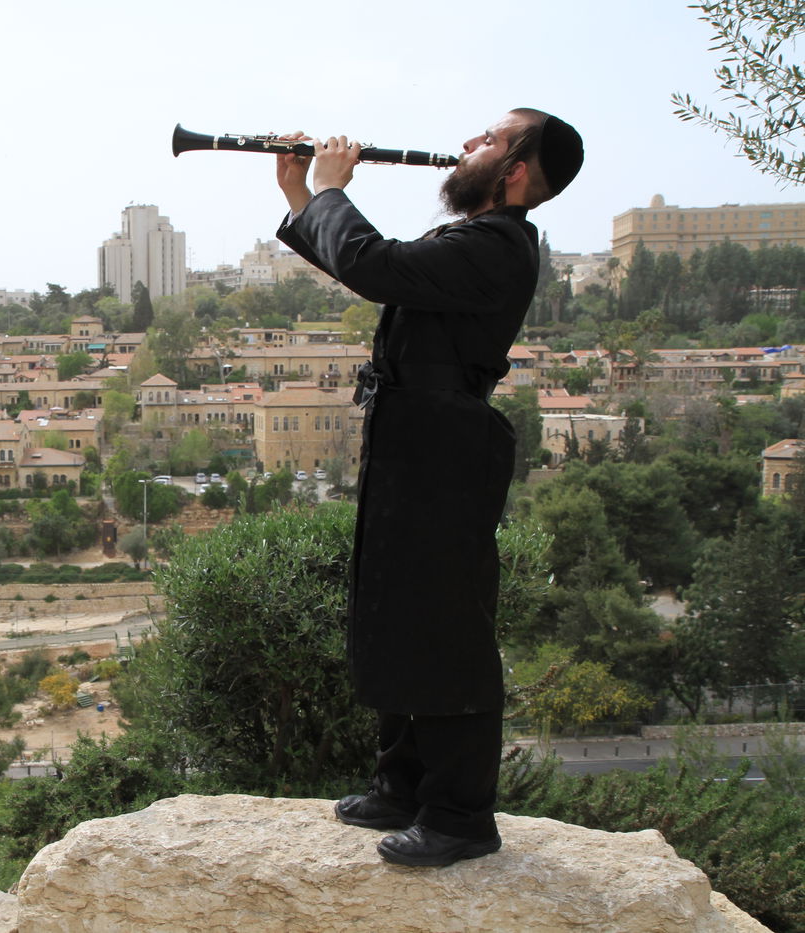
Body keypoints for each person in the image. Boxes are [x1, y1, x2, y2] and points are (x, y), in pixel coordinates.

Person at [274, 110, 583, 868]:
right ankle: (404, 784)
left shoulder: (499, 246)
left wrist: (330, 189)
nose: (469, 142)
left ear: (513, 170)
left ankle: (460, 816)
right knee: (396, 605)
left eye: (488, 139)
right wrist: (299, 199)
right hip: (416, 438)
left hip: (447, 447)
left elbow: (374, 265)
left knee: (447, 626)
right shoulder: (472, 241)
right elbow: (381, 270)